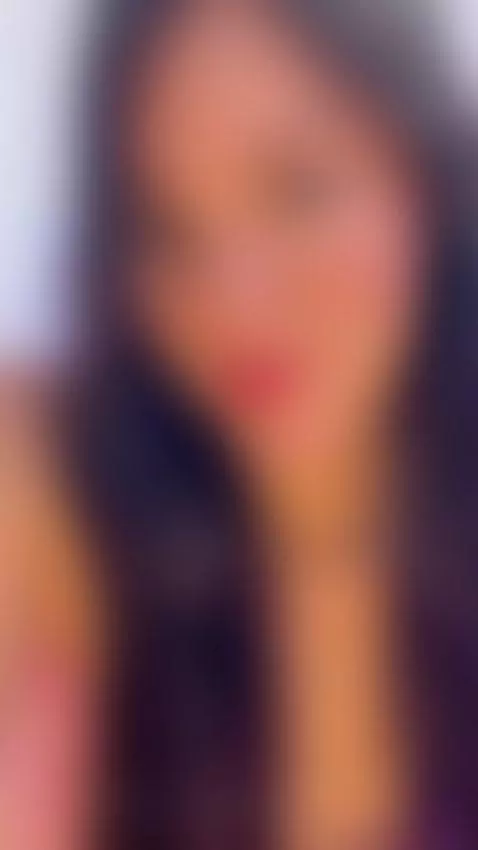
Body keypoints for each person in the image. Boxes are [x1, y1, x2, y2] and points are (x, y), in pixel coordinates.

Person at [4, 1, 477, 848]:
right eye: (167, 229)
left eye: (296, 191)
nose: (236, 298)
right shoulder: (84, 536)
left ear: (424, 173)